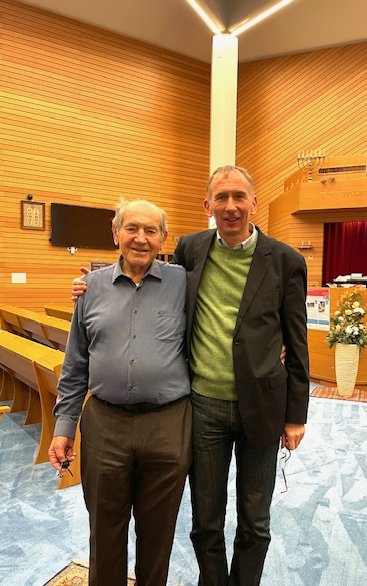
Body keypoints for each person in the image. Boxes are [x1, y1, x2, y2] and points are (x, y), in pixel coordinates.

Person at [72, 165, 310, 586]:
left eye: (240, 197)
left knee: (255, 519)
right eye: (221, 198)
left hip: (262, 404)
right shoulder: (191, 249)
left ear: (255, 202)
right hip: (202, 406)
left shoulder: (286, 260)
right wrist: (93, 285)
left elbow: (297, 339)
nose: (231, 206)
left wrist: (296, 415)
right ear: (208, 207)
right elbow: (147, 281)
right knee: (206, 520)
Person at [50, 198, 192, 586]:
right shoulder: (90, 288)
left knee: (158, 532)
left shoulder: (183, 281)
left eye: (151, 231)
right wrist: (64, 425)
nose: (141, 239)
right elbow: (76, 361)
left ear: (163, 238)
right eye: (132, 229)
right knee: (105, 529)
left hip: (167, 424)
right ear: (115, 233)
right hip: (105, 424)